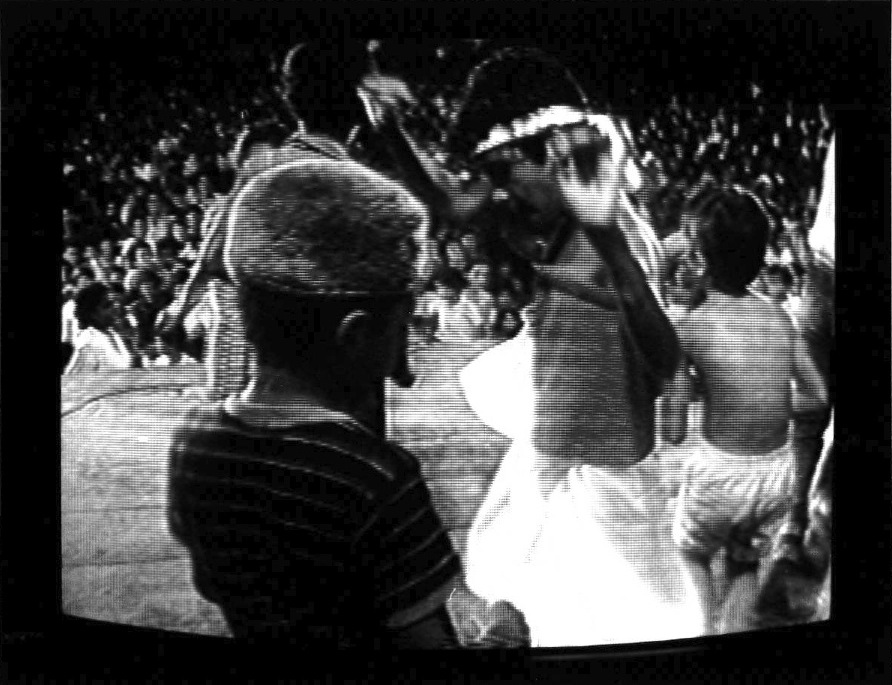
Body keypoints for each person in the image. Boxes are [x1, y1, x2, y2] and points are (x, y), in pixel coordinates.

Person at [360, 50, 687, 646]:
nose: (499, 191)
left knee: (643, 615)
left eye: (508, 172)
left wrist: (608, 249)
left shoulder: (611, 226)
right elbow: (452, 207)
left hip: (608, 462)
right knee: (540, 596)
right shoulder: (555, 222)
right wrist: (392, 137)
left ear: (558, 151)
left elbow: (664, 360)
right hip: (564, 450)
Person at [168, 154, 529, 649]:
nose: (406, 351)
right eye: (402, 324)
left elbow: (212, 585)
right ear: (356, 334)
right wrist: (503, 636)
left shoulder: (193, 443)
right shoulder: (375, 476)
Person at [661, 188, 828, 634]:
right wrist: (765, 394)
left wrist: (684, 387)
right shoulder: (778, 316)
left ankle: (699, 630)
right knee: (744, 561)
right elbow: (816, 397)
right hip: (778, 474)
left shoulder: (690, 327)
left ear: (697, 257)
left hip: (718, 473)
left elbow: (674, 430)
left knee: (690, 553)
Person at [64, 282, 132, 375]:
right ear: (92, 314)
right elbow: (76, 382)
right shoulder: (89, 341)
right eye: (107, 305)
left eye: (114, 302)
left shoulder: (112, 333)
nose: (116, 307)